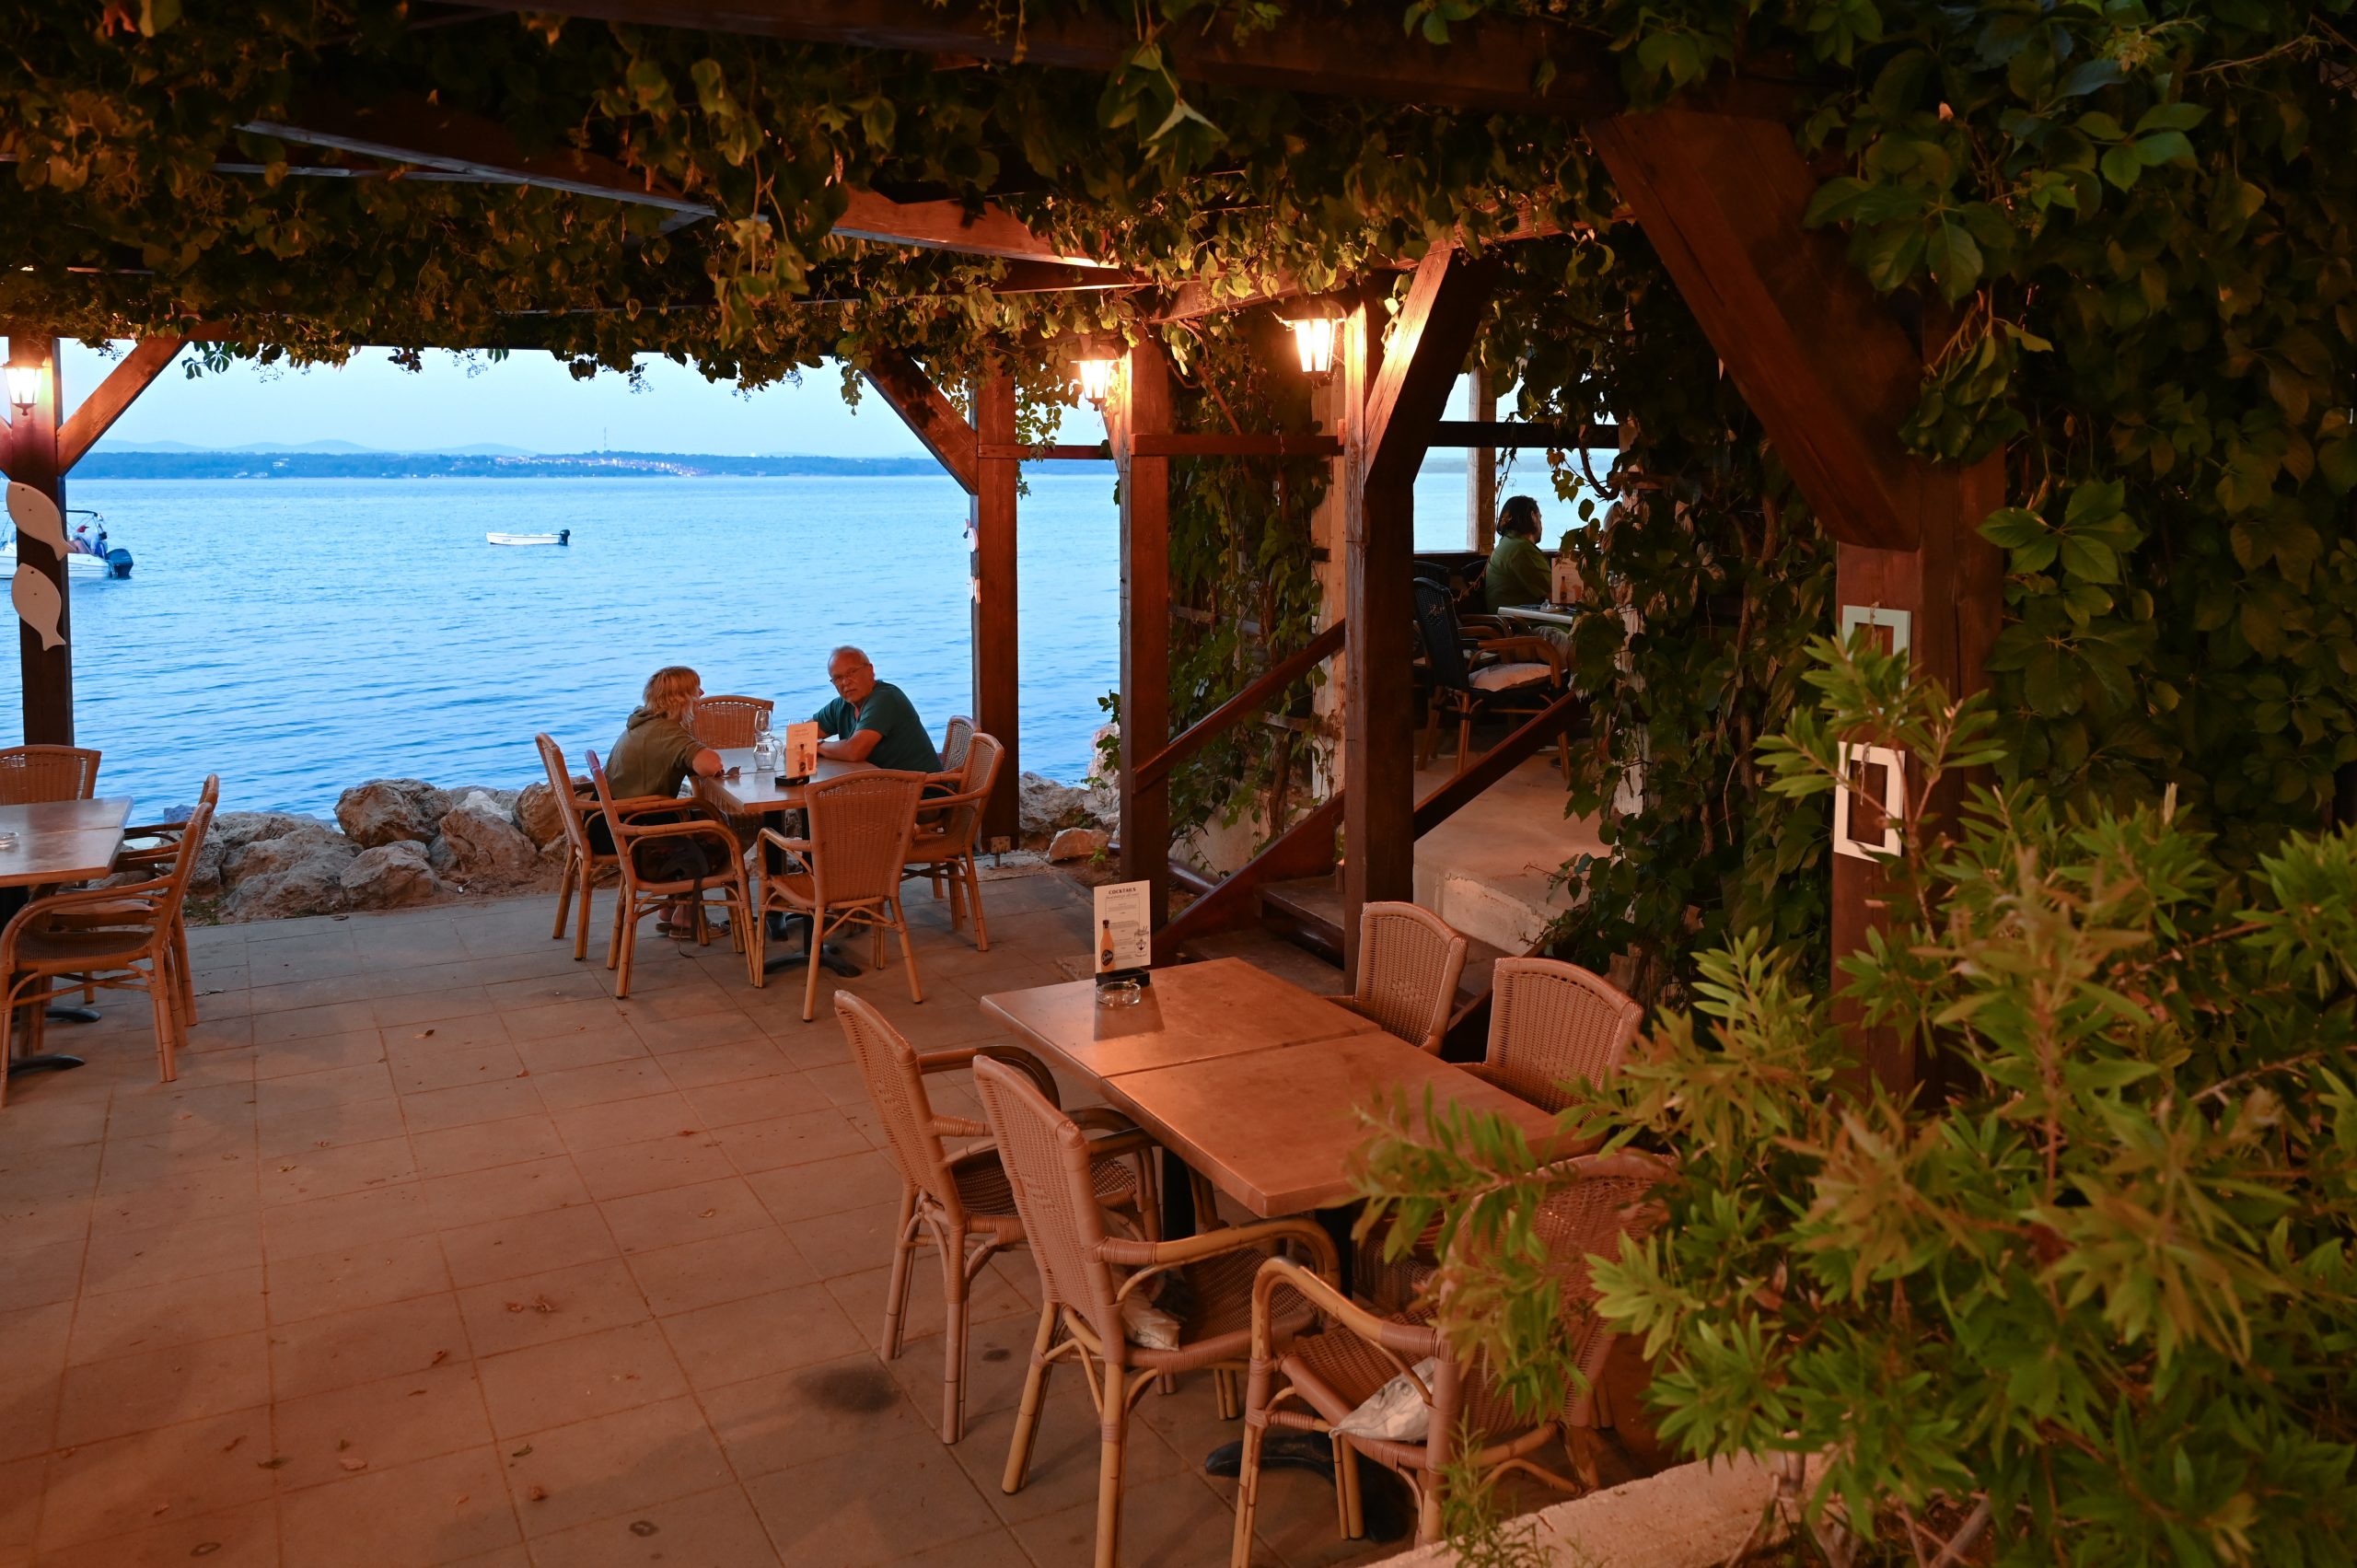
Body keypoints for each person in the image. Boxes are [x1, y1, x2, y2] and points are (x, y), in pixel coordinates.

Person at [602, 665, 727, 936]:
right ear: (681, 698)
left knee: (702, 819)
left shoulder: (641, 722)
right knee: (718, 834)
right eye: (696, 690)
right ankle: (685, 915)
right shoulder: (667, 733)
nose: (702, 694)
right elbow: (711, 764)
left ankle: (673, 907)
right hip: (643, 842)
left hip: (616, 828)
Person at [811, 646, 942, 773]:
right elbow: (803, 734)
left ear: (870, 671)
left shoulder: (885, 698)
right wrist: (810, 743)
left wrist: (819, 746)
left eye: (852, 673)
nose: (845, 682)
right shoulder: (842, 705)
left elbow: (854, 751)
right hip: (882, 783)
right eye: (838, 678)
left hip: (922, 786)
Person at [1483, 494, 1552, 612]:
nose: (1541, 524)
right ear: (1533, 516)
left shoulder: (1507, 543)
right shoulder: (1521, 549)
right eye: (1540, 517)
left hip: (1508, 618)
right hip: (1522, 620)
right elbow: (1556, 594)